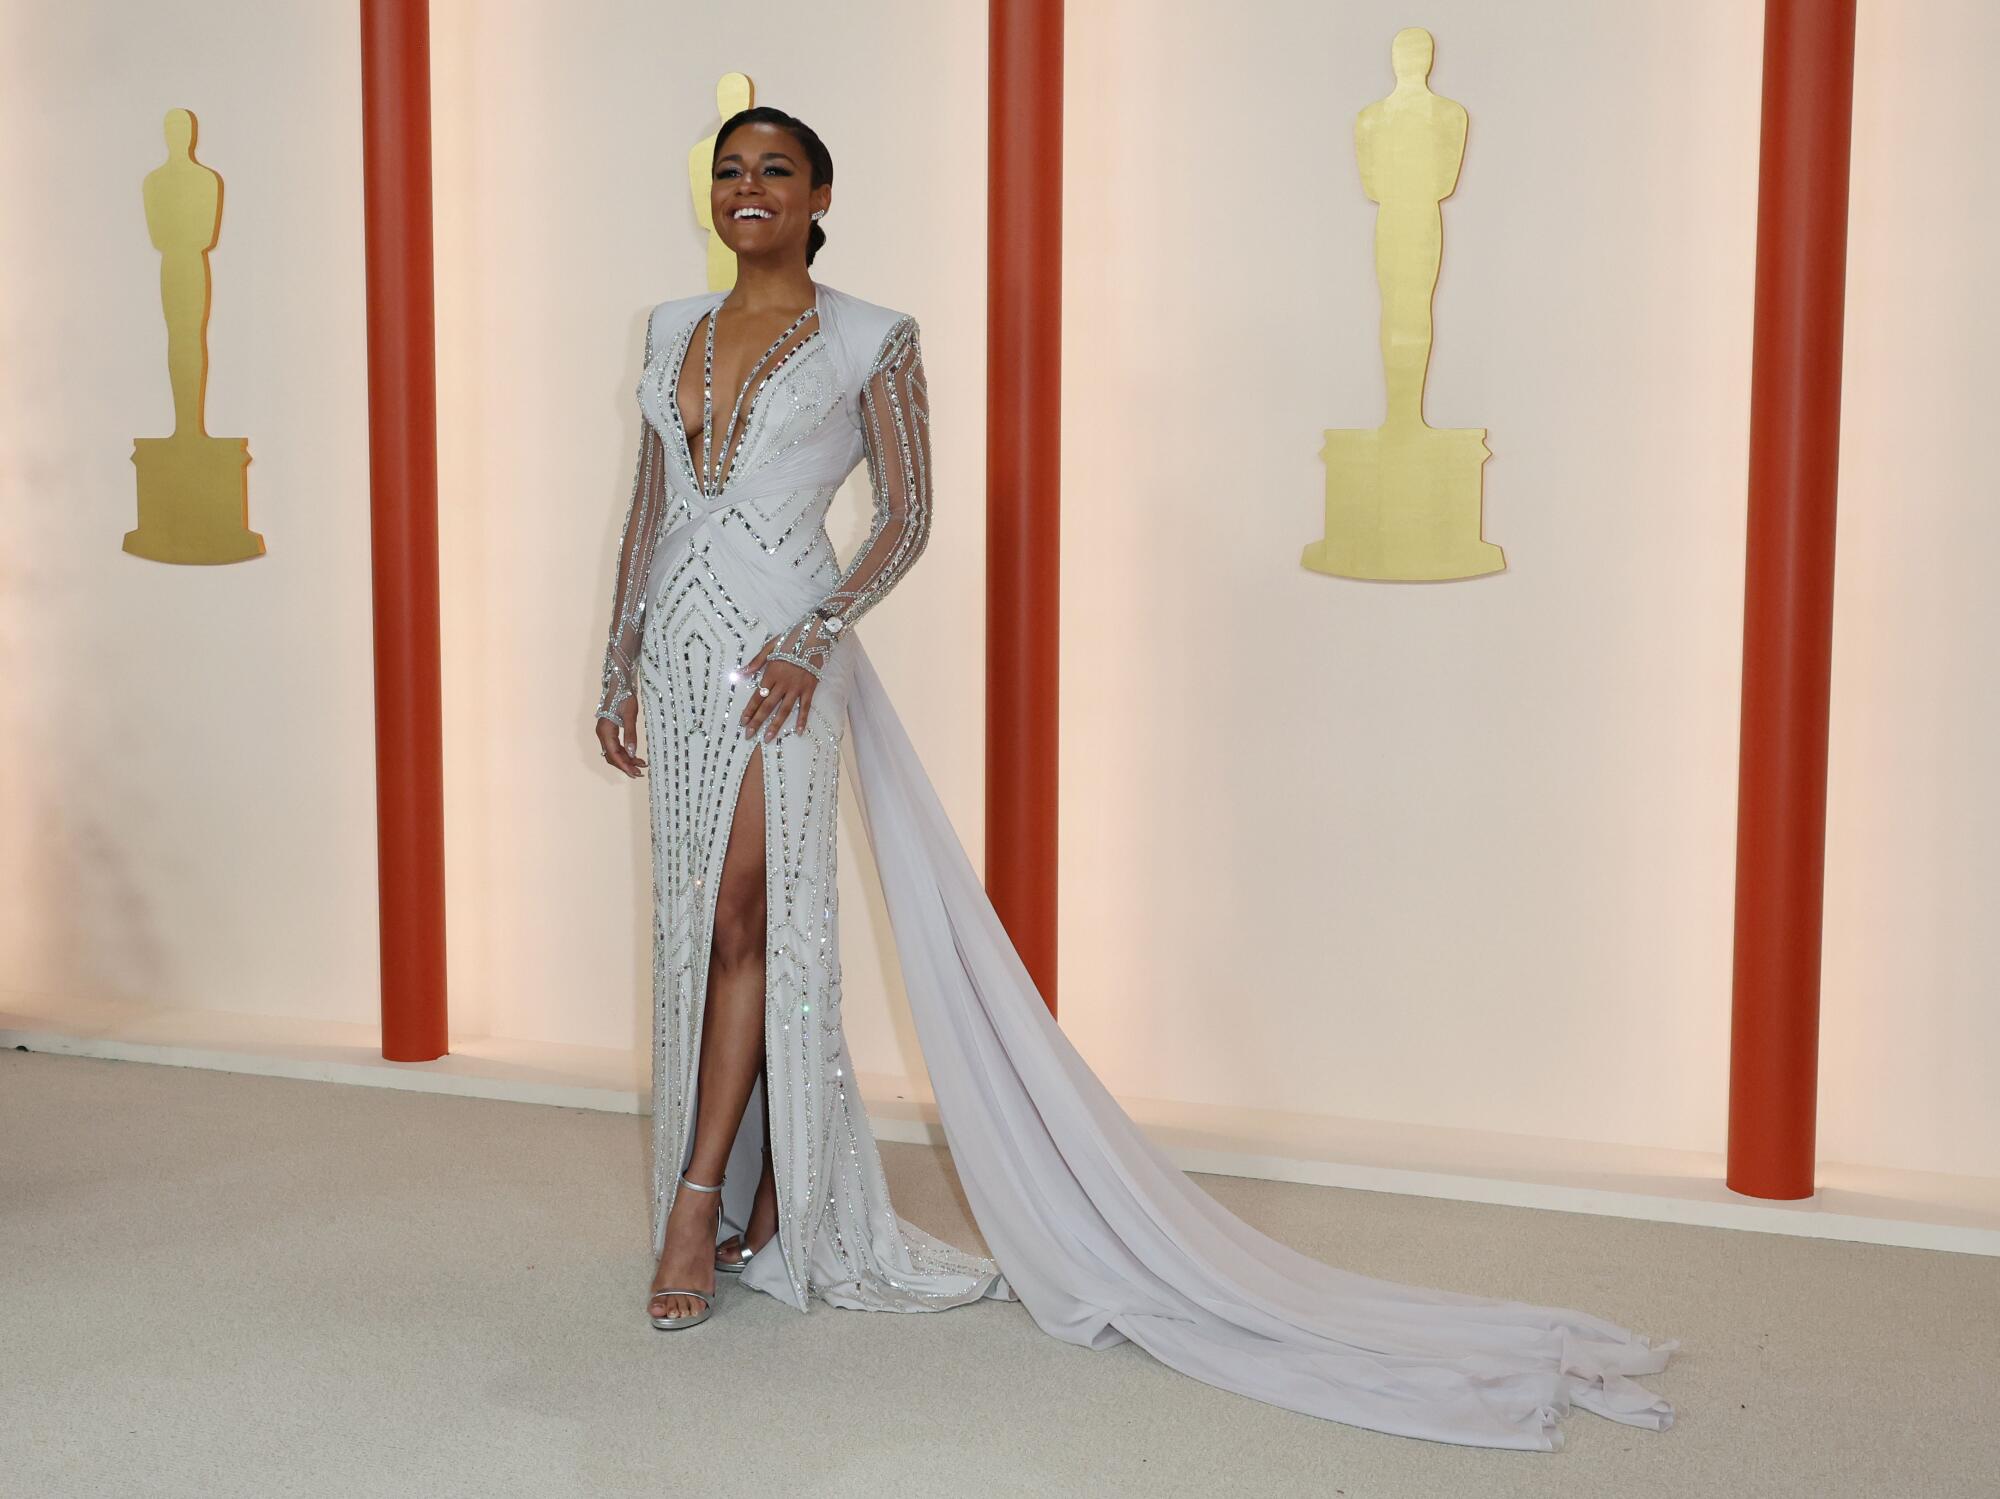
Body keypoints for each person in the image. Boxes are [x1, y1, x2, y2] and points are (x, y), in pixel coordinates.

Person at [594, 105, 1679, 1451]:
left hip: (783, 662)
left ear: (821, 194)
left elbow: (913, 514)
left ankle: (703, 1202)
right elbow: (652, 504)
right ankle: (766, 1201)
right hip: (680, 662)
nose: (746, 189)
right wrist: (615, 657)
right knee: (696, 928)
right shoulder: (661, 333)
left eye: (774, 171)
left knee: (753, 920)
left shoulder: (874, 336)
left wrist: (818, 634)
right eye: (729, 170)